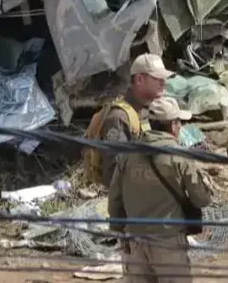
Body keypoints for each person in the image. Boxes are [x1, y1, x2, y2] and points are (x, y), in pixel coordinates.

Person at [108, 96, 212, 283]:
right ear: (173, 126)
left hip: (135, 240)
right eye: (179, 122)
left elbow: (115, 199)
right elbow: (201, 199)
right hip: (168, 242)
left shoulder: (128, 154)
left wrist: (120, 233)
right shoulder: (179, 156)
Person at [83, 53, 173, 188]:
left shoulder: (142, 109)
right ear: (139, 79)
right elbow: (114, 172)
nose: (163, 83)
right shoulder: (118, 117)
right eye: (157, 78)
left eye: (163, 78)